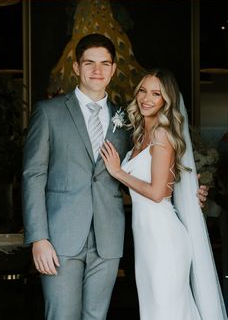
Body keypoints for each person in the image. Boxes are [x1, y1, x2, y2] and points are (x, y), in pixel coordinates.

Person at [22, 35, 208, 320]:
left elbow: (158, 164)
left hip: (109, 240)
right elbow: (33, 175)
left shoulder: (128, 119)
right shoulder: (49, 112)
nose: (97, 71)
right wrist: (39, 238)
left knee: (97, 316)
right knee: (61, 315)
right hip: (60, 239)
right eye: (89, 63)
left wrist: (192, 190)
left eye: (104, 64)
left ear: (113, 70)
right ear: (76, 67)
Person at [100, 68, 227, 320]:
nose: (146, 98)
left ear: (166, 100)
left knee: (165, 312)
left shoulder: (161, 134)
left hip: (164, 241)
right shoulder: (140, 135)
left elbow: (157, 193)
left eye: (156, 94)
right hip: (147, 239)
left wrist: (118, 172)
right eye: (143, 91)